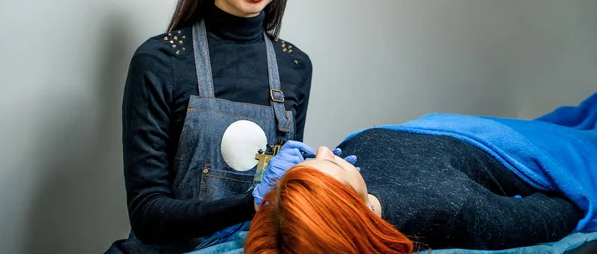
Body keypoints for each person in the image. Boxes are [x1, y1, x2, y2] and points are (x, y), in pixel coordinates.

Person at [106, 0, 328, 253]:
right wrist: (251, 201)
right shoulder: (161, 61)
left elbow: (281, 213)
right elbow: (147, 214)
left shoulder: (294, 66)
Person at [245, 93, 597, 253]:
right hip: (510, 148)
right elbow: (559, 210)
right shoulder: (451, 207)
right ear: (351, 210)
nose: (324, 150)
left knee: (575, 113)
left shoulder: (336, 193)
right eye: (328, 163)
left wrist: (268, 199)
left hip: (453, 127)